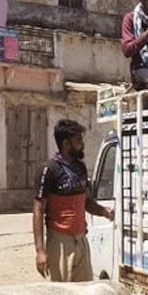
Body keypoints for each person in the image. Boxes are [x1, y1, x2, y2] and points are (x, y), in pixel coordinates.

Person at [33, 119, 114, 282]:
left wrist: (104, 212)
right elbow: (38, 212)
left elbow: (86, 202)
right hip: (60, 243)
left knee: (84, 294)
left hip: (81, 241)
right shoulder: (49, 170)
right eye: (78, 141)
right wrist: (40, 251)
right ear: (66, 144)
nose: (82, 144)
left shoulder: (80, 168)